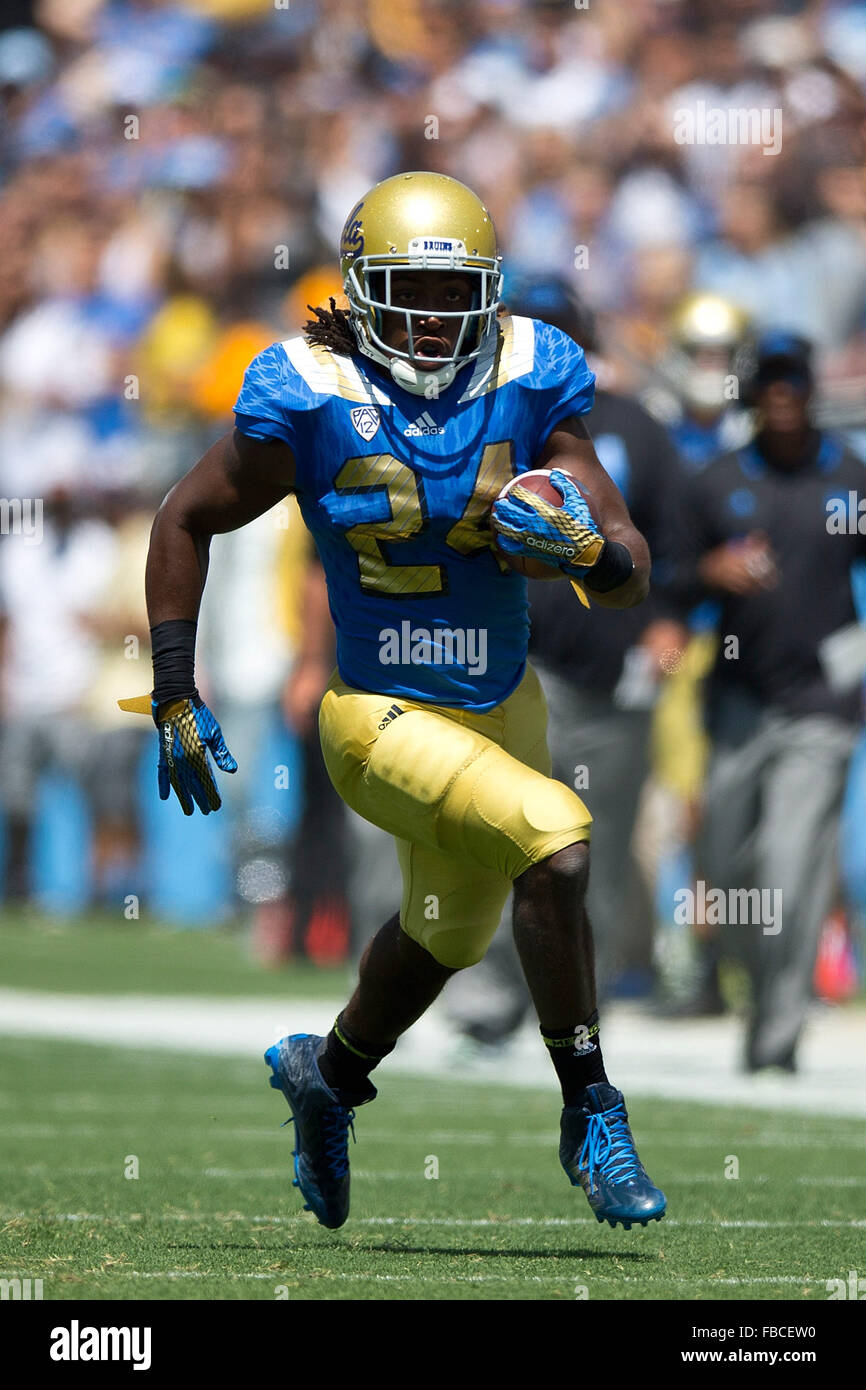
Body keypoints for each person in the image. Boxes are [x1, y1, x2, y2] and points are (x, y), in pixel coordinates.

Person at [129, 171, 666, 1232]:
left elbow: (629, 568)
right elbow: (183, 516)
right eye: (404, 290)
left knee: (444, 930)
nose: (428, 317)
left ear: (489, 293)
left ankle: (326, 1076)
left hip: (501, 703)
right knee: (555, 841)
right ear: (360, 287)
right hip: (374, 715)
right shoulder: (310, 389)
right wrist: (173, 688)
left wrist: (589, 551)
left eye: (448, 291)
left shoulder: (530, 373)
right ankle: (591, 1107)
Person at [675, 332, 866, 1071]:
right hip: (735, 703)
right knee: (728, 870)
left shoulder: (851, 480)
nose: (783, 396)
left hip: (821, 702)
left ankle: (778, 1031)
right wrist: (710, 571)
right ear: (752, 394)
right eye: (771, 383)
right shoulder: (715, 482)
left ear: (812, 388)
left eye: (794, 381)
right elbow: (666, 582)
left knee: (789, 868)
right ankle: (759, 992)